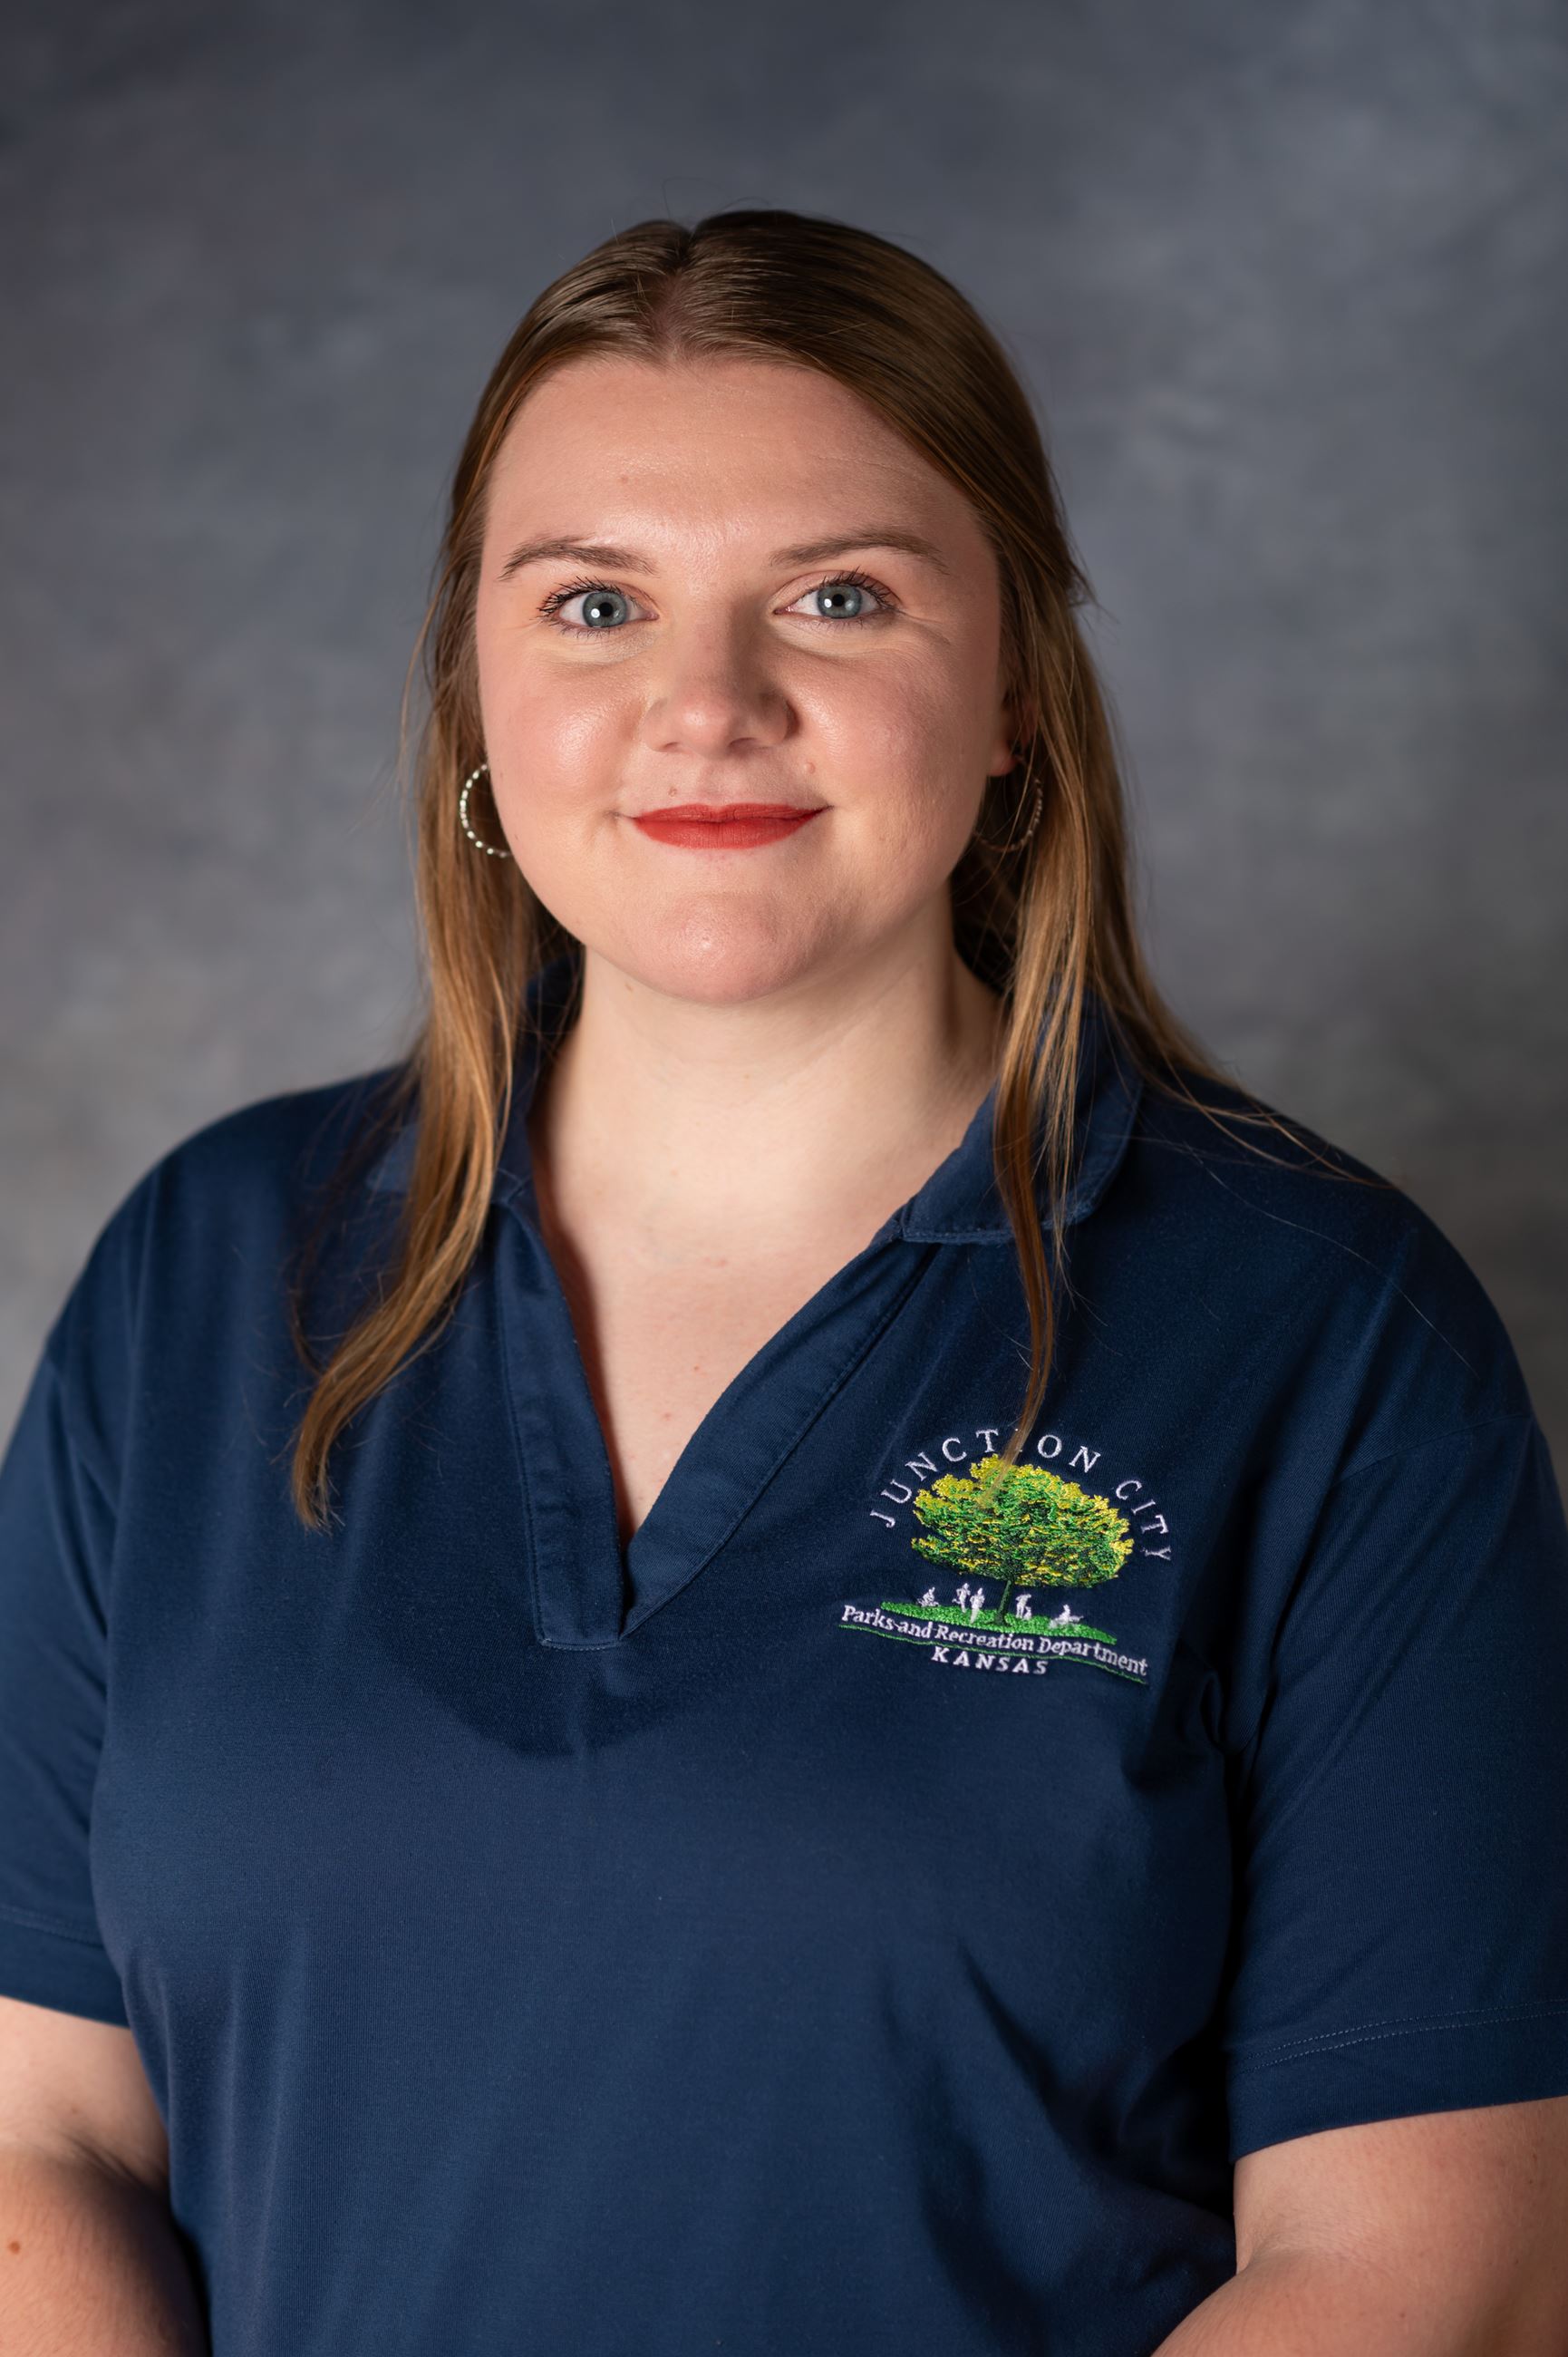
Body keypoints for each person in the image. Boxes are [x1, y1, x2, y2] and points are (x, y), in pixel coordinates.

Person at [1, 208, 1566, 2357]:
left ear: (1013, 685)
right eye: (596, 603)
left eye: (837, 596)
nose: (706, 705)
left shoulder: (1321, 1336)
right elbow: (41, 2136)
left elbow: (1428, 2266)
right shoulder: (208, 1275)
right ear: (477, 686)